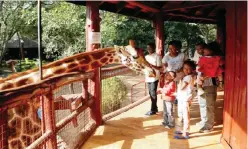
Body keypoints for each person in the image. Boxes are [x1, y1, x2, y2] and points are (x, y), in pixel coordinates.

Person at [194, 42, 223, 133]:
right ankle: (205, 121)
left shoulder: (215, 60)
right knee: (203, 103)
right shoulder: (203, 58)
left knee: (209, 105)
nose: (200, 51)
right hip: (202, 84)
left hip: (210, 83)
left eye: (202, 49)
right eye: (198, 49)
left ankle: (209, 125)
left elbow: (216, 72)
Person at [174, 60, 196, 139]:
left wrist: (180, 79)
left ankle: (186, 132)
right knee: (181, 114)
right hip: (182, 99)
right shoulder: (187, 77)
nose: (185, 70)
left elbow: (182, 87)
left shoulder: (187, 77)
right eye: (184, 68)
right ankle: (182, 129)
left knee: (186, 115)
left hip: (185, 99)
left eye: (188, 69)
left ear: (192, 70)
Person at [145, 42, 162, 116]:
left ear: (154, 48)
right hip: (148, 77)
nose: (149, 49)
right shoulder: (146, 57)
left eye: (150, 48)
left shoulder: (157, 56)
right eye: (148, 48)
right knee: (150, 93)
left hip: (155, 77)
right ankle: (155, 108)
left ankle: (153, 110)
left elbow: (159, 67)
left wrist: (151, 65)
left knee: (153, 93)